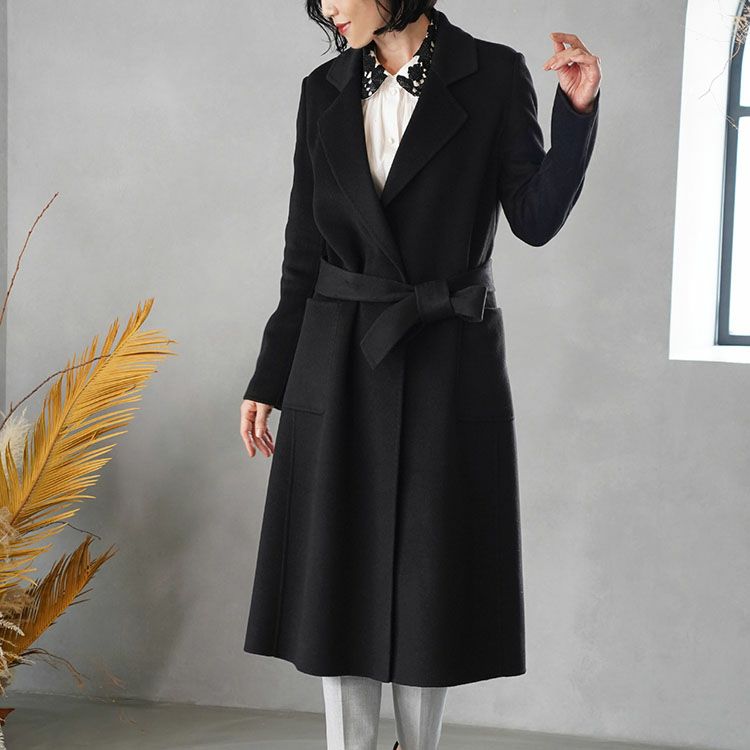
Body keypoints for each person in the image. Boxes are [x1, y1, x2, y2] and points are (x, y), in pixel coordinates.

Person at [240, 2, 602, 748]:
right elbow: (303, 252)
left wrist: (576, 113)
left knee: (429, 579)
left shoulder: (493, 74)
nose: (326, 8)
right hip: (338, 360)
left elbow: (534, 218)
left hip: (445, 356)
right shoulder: (323, 90)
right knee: (338, 574)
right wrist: (269, 377)